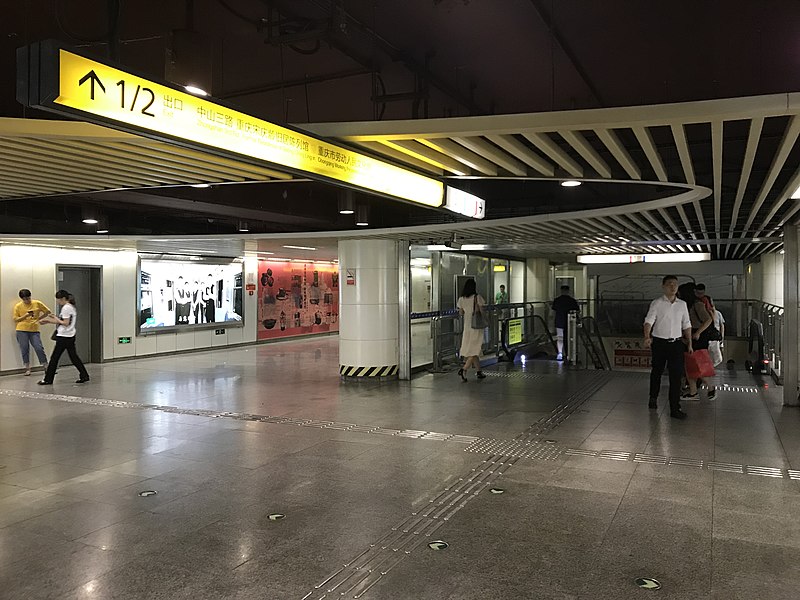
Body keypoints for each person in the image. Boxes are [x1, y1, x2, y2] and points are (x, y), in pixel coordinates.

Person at [643, 275, 692, 420]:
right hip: (659, 343)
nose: (673, 287)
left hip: (676, 343)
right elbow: (648, 321)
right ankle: (653, 397)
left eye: (675, 284)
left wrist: (689, 343)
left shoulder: (682, 304)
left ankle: (675, 408)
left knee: (676, 376)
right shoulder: (657, 303)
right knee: (657, 371)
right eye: (670, 284)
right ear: (663, 286)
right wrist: (647, 336)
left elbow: (686, 324)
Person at [37, 290, 90, 385]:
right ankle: (84, 375)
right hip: (70, 335)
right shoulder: (71, 307)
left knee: (54, 358)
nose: (57, 302)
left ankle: (48, 379)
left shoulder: (66, 308)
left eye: (58, 300)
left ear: (63, 299)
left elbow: (65, 323)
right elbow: (64, 322)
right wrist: (49, 321)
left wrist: (55, 319)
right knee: (74, 357)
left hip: (64, 337)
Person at [683, 282, 716, 400]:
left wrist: (698, 333)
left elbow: (708, 320)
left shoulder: (697, 304)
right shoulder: (690, 304)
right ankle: (693, 391)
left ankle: (710, 387)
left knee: (697, 365)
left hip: (698, 338)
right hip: (692, 336)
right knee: (690, 365)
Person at [12, 289, 50, 376]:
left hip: (34, 330)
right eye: (25, 299)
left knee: (39, 348)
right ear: (22, 299)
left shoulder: (37, 303)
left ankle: (46, 366)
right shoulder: (18, 306)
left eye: (28, 298)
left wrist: (39, 318)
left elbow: (47, 311)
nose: (27, 300)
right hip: (21, 330)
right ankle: (27, 368)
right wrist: (25, 316)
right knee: (24, 348)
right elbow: (15, 319)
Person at [456, 278, 487, 381]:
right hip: (476, 327)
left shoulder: (461, 299)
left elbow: (461, 313)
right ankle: (463, 369)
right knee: (475, 349)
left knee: (472, 348)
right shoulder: (477, 297)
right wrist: (486, 320)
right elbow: (482, 311)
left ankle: (479, 372)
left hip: (467, 327)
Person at [552, 285, 579, 360]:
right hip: (570, 322)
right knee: (570, 338)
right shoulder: (572, 301)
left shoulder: (557, 300)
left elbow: (553, 312)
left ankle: (560, 353)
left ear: (561, 291)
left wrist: (552, 322)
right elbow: (577, 311)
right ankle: (569, 354)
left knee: (560, 337)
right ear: (568, 291)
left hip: (559, 321)